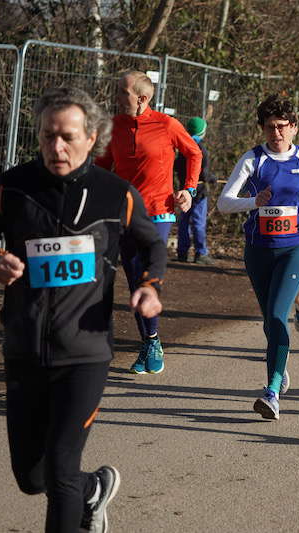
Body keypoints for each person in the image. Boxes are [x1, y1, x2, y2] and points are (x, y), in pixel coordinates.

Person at [0, 87, 165, 533]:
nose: (57, 147)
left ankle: (78, 492)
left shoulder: (116, 194)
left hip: (85, 352)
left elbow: (152, 244)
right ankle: (94, 489)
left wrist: (149, 287)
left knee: (59, 470)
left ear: (92, 137)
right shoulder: (14, 187)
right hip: (24, 349)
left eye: (68, 136)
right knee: (31, 478)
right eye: (48, 136)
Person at [218, 94, 299, 419]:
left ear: (294, 127)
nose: (276, 134)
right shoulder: (253, 159)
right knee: (271, 319)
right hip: (258, 251)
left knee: (278, 316)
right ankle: (281, 362)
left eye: (282, 127)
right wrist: (253, 202)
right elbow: (225, 202)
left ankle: (271, 391)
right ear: (262, 129)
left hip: (295, 245)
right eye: (270, 128)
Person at [96, 70, 201, 375]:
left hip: (158, 210)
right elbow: (102, 166)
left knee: (147, 277)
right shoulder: (113, 126)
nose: (116, 96)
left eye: (122, 92)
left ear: (141, 98)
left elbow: (193, 152)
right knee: (132, 281)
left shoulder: (166, 124)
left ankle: (152, 341)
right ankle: (149, 340)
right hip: (123, 212)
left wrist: (189, 189)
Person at [174, 116, 216, 264]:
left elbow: (177, 167)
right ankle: (201, 253)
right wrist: (212, 178)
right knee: (198, 221)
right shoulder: (202, 149)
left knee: (184, 221)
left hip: (184, 190)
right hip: (198, 192)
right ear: (203, 132)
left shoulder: (183, 147)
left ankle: (182, 252)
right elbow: (203, 174)